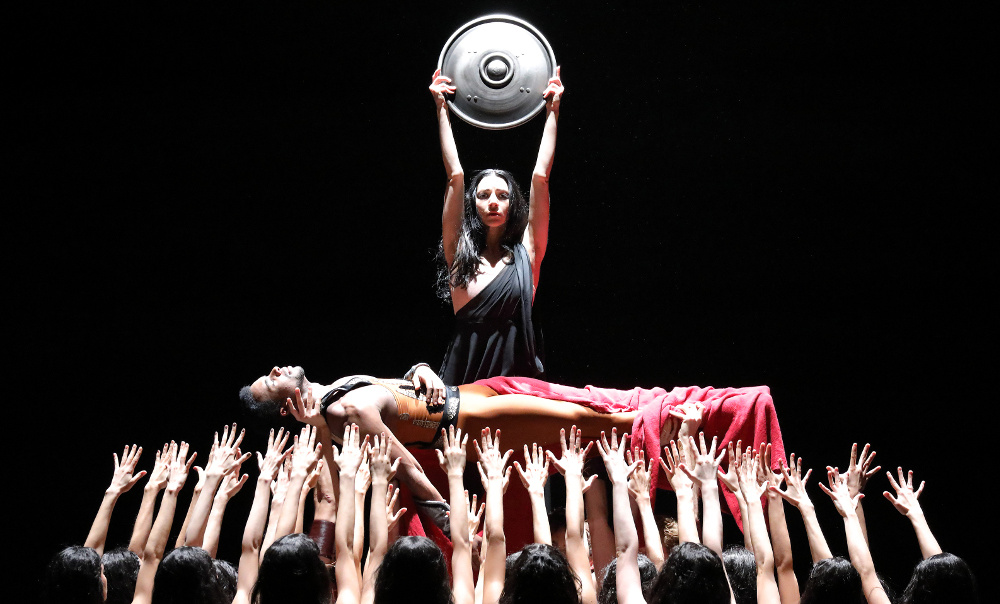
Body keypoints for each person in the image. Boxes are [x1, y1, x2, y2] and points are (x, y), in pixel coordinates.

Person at [429, 65, 562, 384]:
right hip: (462, 387)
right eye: (484, 194)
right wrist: (441, 107)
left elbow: (540, 177)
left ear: (513, 204)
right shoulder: (459, 254)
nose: (492, 201)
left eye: (502, 195)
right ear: (472, 204)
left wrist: (553, 110)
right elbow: (455, 176)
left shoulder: (528, 255)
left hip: (516, 389)